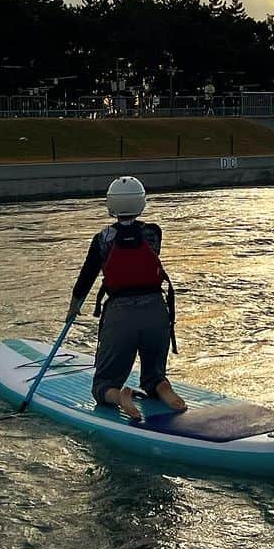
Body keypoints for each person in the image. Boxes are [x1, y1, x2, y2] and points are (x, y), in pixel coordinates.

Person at [67, 176, 187, 420]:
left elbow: (86, 279)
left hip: (121, 316)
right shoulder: (153, 233)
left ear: (110, 205)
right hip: (156, 312)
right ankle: (161, 386)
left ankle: (119, 395)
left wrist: (73, 309)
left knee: (103, 384)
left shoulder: (102, 239)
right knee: (154, 374)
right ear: (142, 203)